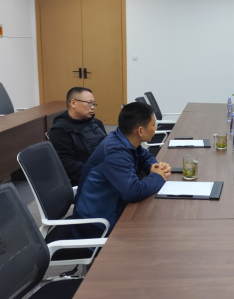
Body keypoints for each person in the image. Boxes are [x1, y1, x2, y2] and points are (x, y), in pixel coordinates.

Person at [72, 102, 171, 239]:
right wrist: (158, 176)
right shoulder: (115, 152)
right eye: (153, 124)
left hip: (113, 208)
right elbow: (133, 191)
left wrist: (154, 167)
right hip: (96, 225)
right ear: (140, 131)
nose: (156, 128)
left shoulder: (123, 138)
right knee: (156, 233)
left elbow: (145, 156)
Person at [48, 87, 107, 186]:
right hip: (89, 180)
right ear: (73, 103)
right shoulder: (60, 130)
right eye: (89, 103)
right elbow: (64, 164)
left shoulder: (97, 123)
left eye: (93, 104)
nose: (92, 107)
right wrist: (99, 171)